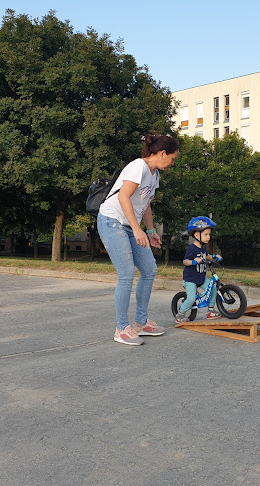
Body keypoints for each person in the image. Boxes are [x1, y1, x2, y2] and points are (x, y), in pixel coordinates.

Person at [97, 132, 179, 345]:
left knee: (150, 269)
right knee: (126, 274)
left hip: (130, 224)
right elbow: (124, 197)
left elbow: (146, 204)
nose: (172, 163)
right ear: (162, 153)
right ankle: (122, 328)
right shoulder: (138, 167)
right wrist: (137, 229)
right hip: (112, 220)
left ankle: (140, 322)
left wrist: (151, 232)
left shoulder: (154, 175)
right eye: (172, 158)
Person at [174, 216, 223, 323]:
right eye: (206, 234)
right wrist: (194, 261)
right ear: (196, 235)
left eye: (209, 234)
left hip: (201, 277)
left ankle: (210, 311)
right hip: (190, 279)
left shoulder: (203, 247)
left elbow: (207, 256)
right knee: (191, 299)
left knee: (213, 289)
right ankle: (180, 314)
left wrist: (214, 257)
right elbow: (185, 261)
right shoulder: (192, 248)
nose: (208, 237)